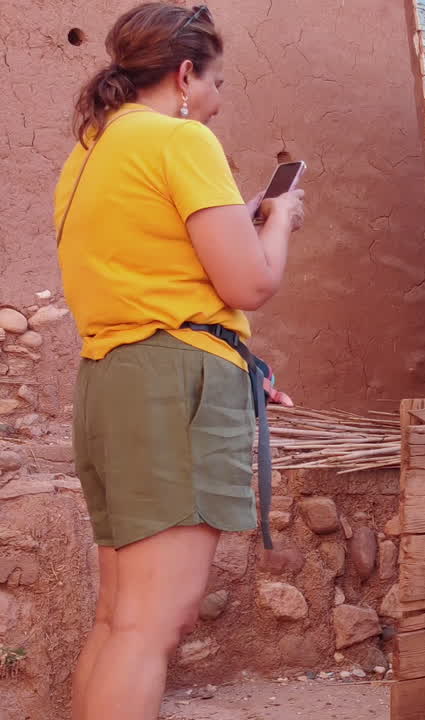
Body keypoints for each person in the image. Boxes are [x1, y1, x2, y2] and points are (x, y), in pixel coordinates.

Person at [55, 5, 305, 719]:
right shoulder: (180, 140)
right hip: (171, 381)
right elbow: (250, 282)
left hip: (111, 380)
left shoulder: (92, 150)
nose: (219, 100)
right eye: (218, 82)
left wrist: (242, 212)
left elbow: (157, 254)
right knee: (153, 624)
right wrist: (280, 222)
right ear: (186, 73)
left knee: (120, 618)